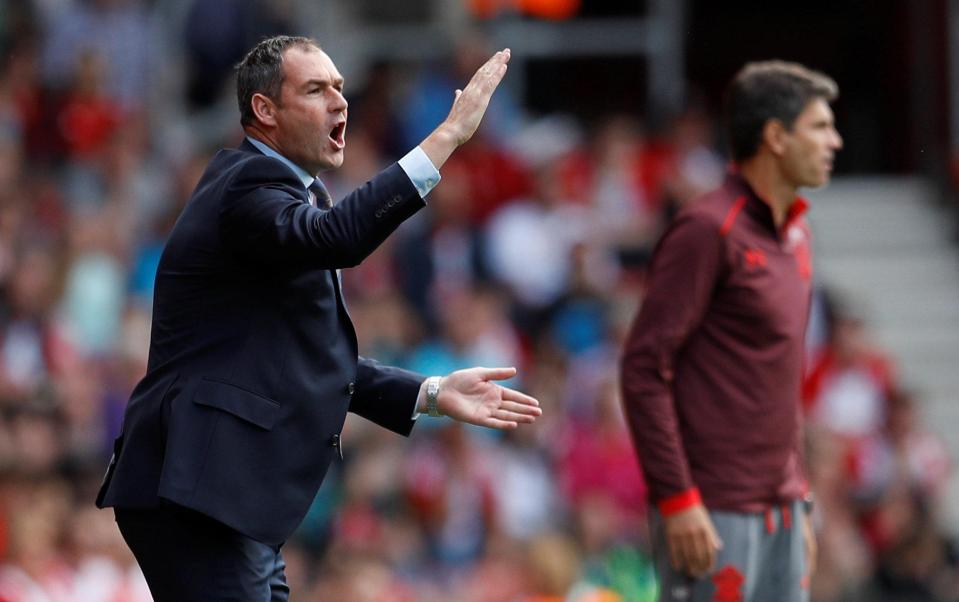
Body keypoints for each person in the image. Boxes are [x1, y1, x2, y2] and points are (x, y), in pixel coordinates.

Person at [95, 35, 540, 601]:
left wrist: (429, 391)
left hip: (225, 501)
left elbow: (313, 356)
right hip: (200, 492)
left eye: (340, 87)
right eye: (315, 89)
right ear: (265, 111)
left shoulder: (288, 198)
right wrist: (447, 136)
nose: (339, 101)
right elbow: (339, 240)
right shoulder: (246, 183)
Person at [620, 61, 843, 602]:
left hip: (782, 510)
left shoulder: (798, 237)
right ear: (774, 137)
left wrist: (800, 501)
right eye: (819, 126)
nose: (834, 141)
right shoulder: (706, 229)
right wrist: (677, 498)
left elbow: (779, 384)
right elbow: (643, 369)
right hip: (710, 510)